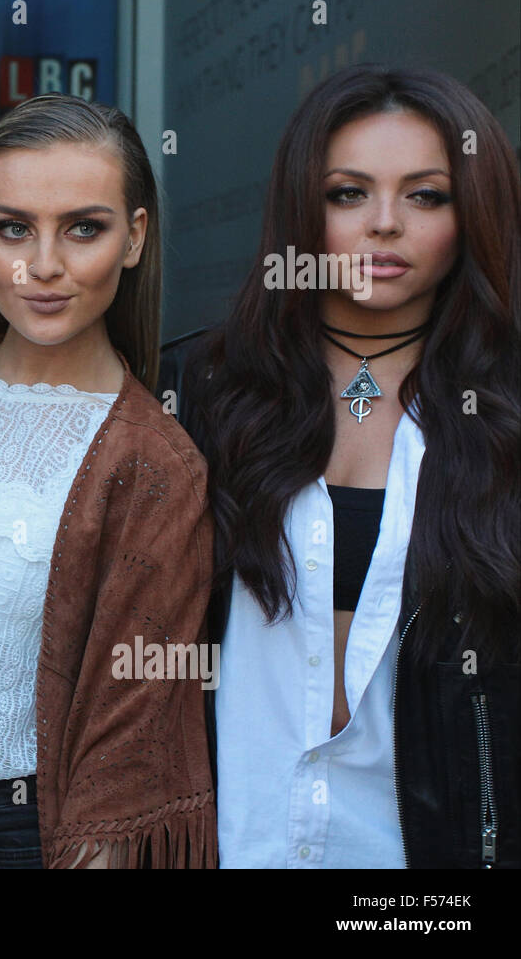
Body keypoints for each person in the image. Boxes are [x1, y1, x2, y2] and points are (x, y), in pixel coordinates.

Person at [182, 64, 520, 868]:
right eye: (348, 193)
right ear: (302, 209)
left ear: (472, 213)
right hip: (238, 843)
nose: (384, 224)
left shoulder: (504, 412)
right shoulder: (201, 391)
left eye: (425, 196)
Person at [0, 93, 217, 869]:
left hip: (23, 834)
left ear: (134, 238)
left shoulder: (156, 464)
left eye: (83, 228)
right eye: (13, 228)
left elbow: (126, 742)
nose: (43, 264)